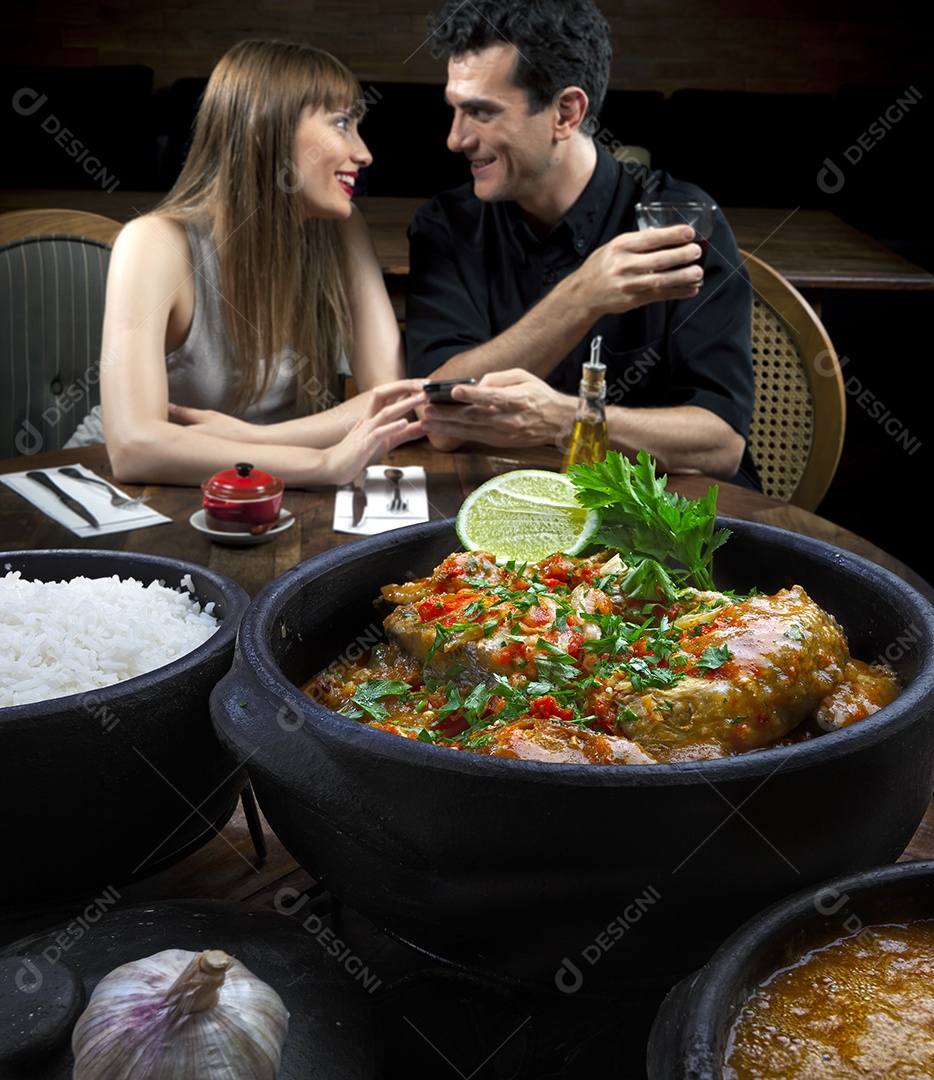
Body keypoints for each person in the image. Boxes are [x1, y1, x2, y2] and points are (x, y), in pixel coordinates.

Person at [406, 0, 759, 487]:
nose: (455, 138)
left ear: (566, 112)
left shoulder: (680, 219)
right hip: (515, 513)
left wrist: (569, 417)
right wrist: (585, 294)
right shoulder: (445, 226)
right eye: (455, 110)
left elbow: (720, 444)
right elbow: (440, 414)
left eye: (481, 112)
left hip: (668, 517)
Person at [68, 39, 426, 488]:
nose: (364, 153)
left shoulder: (341, 228)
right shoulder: (155, 243)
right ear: (264, 131)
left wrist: (256, 439)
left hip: (260, 487)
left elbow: (390, 404)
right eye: (341, 124)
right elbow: (135, 448)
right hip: (124, 490)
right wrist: (322, 465)